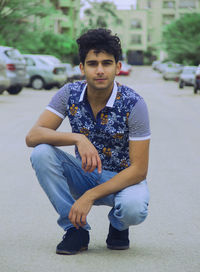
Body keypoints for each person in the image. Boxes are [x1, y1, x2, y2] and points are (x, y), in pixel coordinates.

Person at [26, 28, 151, 255]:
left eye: (107, 63)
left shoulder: (134, 104)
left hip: (122, 181)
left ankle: (118, 224)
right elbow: (33, 136)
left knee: (134, 208)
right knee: (41, 152)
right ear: (82, 68)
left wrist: (89, 196)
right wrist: (77, 137)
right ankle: (76, 230)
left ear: (118, 67)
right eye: (93, 64)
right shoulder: (69, 94)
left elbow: (139, 170)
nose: (100, 70)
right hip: (84, 173)